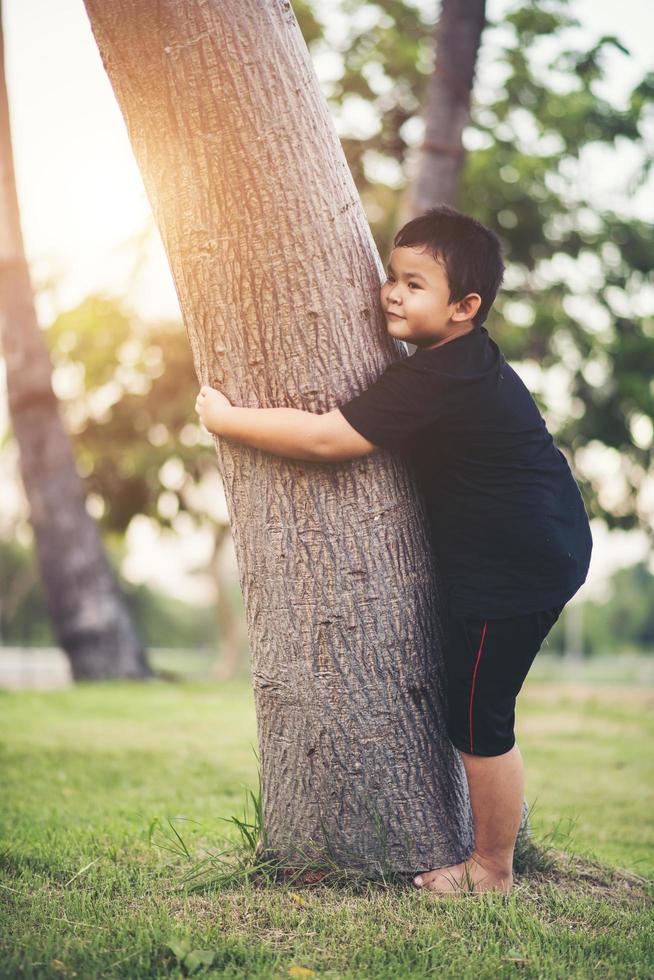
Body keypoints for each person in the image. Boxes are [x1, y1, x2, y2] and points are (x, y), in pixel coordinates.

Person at [194, 205, 593, 896]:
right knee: (470, 702)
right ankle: (488, 858)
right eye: (392, 278)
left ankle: (492, 870)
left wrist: (226, 420)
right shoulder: (454, 364)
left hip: (519, 566)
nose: (391, 293)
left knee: (478, 717)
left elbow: (327, 440)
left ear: (465, 307)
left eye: (414, 284)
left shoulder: (443, 373)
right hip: (535, 544)